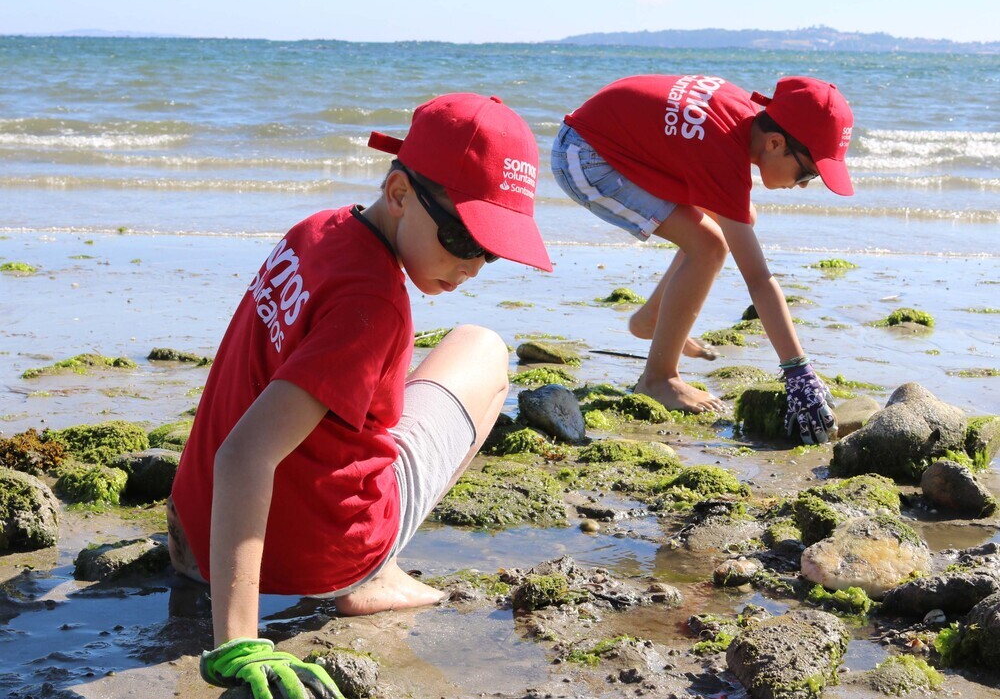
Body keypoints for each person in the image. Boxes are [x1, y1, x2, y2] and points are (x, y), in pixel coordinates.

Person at [167, 93, 552, 699]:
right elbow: (244, 455)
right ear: (399, 193)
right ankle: (371, 575)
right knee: (482, 347)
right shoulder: (374, 304)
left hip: (195, 535)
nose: (473, 264)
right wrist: (238, 644)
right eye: (460, 236)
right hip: (313, 563)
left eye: (492, 248)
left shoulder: (314, 231)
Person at [551, 74, 853, 439]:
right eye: (809, 172)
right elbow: (758, 279)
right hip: (586, 157)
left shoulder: (739, 117)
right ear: (775, 142)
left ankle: (652, 319)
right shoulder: (723, 152)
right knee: (708, 247)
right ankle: (658, 379)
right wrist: (797, 370)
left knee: (737, 222)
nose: (804, 184)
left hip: (618, 143)